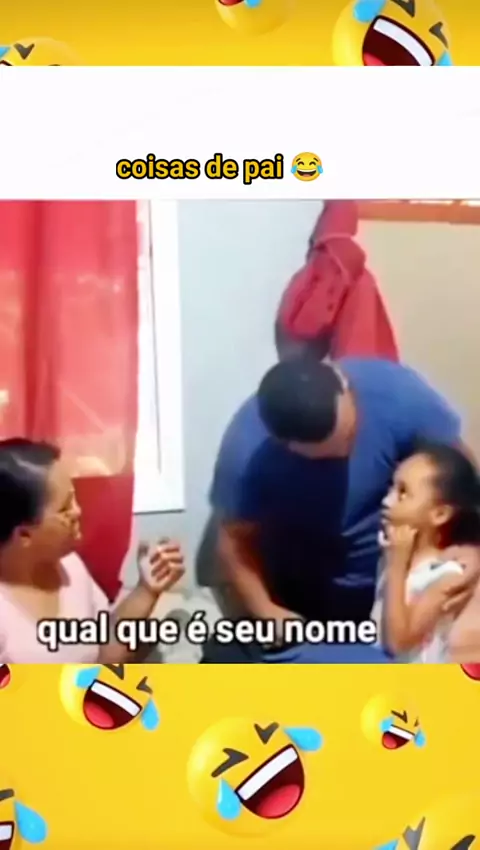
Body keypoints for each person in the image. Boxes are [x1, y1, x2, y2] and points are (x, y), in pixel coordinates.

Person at [209, 357, 479, 661]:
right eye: (327, 456)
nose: (345, 454)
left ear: (342, 381)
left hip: (399, 596)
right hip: (305, 607)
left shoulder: (397, 395)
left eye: (350, 436)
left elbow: (461, 477)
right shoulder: (246, 452)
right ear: (286, 445)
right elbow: (233, 543)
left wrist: (472, 546)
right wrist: (267, 611)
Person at [0, 438, 185, 663]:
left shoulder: (70, 566)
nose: (78, 511)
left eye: (74, 498)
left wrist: (147, 590)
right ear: (24, 535)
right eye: (65, 508)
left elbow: (105, 653)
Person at [376, 443, 480, 662]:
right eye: (391, 488)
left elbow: (399, 642)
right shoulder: (393, 550)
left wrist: (396, 565)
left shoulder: (445, 575)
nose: (387, 501)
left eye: (403, 493)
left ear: (439, 514)